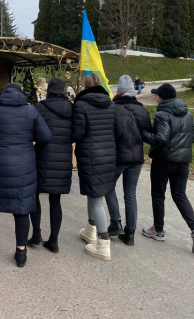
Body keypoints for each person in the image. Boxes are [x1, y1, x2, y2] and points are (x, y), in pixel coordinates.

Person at [0, 84, 52, 268]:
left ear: (3, 95)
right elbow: (46, 137)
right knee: (21, 208)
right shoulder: (30, 112)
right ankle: (21, 252)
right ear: (21, 95)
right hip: (23, 168)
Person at [141, 83, 194, 254]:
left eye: (157, 95)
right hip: (183, 162)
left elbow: (161, 138)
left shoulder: (163, 114)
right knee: (180, 195)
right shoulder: (188, 114)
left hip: (163, 161)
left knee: (158, 194)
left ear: (161, 97)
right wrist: (182, 148)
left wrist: (143, 133)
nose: (155, 98)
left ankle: (158, 230)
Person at [73, 73, 118, 261]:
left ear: (85, 86)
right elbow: (117, 130)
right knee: (95, 193)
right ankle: (91, 229)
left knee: (97, 198)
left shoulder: (81, 105)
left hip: (90, 156)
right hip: (108, 155)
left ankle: (103, 244)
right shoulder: (112, 105)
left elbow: (77, 133)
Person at [105, 75, 152, 245]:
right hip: (136, 158)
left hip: (118, 156)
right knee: (130, 194)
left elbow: (109, 134)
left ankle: (116, 220)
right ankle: (130, 233)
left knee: (108, 187)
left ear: (119, 92)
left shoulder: (112, 109)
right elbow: (147, 134)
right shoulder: (143, 110)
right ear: (133, 91)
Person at [28, 78, 73, 253]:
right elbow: (76, 132)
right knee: (56, 199)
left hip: (42, 156)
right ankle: (53, 240)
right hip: (63, 159)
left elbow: (33, 132)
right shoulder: (72, 108)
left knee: (35, 194)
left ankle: (37, 234)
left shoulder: (40, 107)